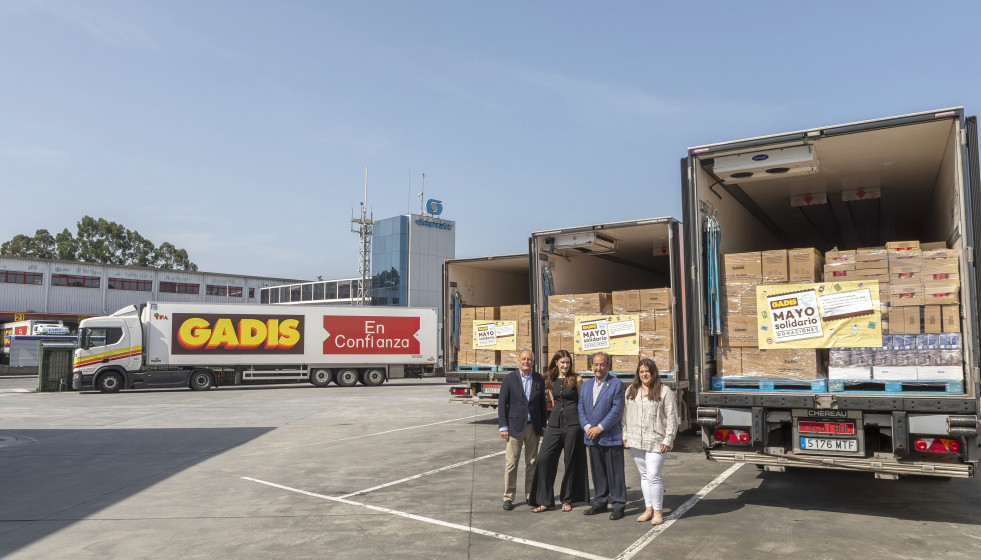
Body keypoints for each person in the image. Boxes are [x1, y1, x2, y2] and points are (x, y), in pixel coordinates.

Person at [528, 350, 590, 512]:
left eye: (568, 362)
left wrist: (585, 425)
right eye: (562, 362)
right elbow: (554, 403)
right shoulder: (550, 381)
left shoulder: (577, 379)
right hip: (555, 424)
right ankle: (545, 500)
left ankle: (567, 499)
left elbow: (582, 403)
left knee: (571, 461)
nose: (565, 365)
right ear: (556, 362)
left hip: (573, 424)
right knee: (544, 458)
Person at [622, 357, 678, 526]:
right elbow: (625, 415)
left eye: (647, 371)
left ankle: (658, 512)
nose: (644, 374)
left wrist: (668, 438)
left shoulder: (664, 391)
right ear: (637, 374)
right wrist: (625, 435)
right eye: (641, 372)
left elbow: (672, 417)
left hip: (656, 440)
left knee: (653, 475)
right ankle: (648, 510)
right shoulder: (631, 390)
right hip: (635, 440)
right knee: (644, 476)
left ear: (654, 373)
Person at [578, 351, 627, 520]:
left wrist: (599, 428)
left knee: (615, 473)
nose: (598, 368)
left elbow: (617, 410)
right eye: (595, 364)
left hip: (610, 436)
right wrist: (587, 427)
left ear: (608, 366)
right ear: (592, 366)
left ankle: (618, 504)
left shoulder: (616, 384)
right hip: (592, 437)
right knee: (597, 472)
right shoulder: (586, 386)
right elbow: (581, 408)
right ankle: (600, 502)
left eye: (602, 364)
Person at [498, 348, 548, 511]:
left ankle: (530, 495)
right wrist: (503, 427)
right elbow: (502, 404)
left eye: (529, 359)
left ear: (533, 362)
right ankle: (508, 496)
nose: (527, 362)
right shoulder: (509, 379)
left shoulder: (539, 379)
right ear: (519, 361)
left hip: (533, 427)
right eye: (524, 359)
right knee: (511, 463)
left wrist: (543, 425)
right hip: (514, 428)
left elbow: (541, 404)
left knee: (532, 462)